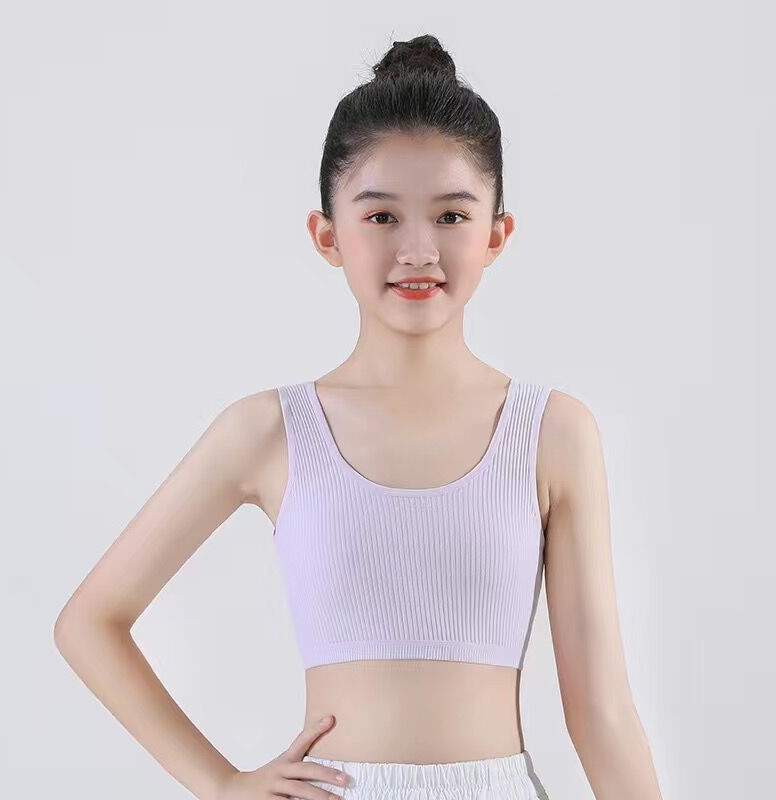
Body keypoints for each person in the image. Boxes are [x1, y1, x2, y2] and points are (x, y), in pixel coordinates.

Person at [54, 34, 663, 800]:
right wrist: (223, 784)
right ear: (327, 235)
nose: (418, 250)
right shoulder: (270, 432)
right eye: (381, 217)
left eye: (451, 215)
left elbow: (601, 712)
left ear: (496, 235)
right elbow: (91, 622)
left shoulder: (552, 433)